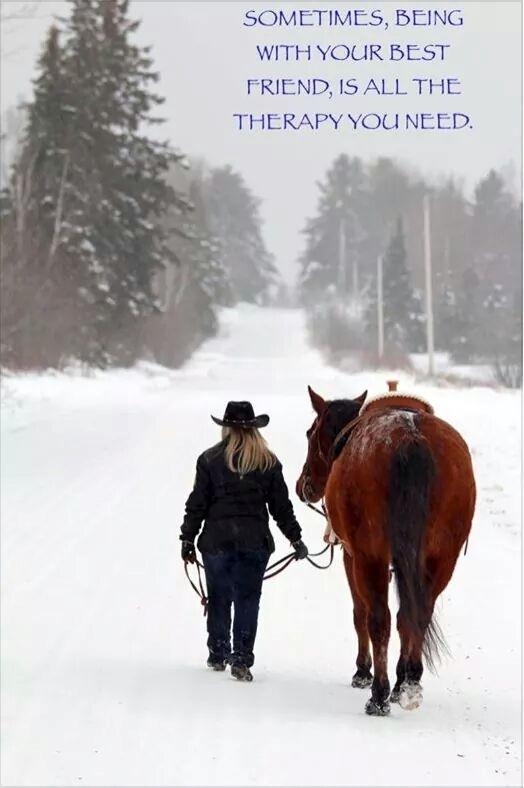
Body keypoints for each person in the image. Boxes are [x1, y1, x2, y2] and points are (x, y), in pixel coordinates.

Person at [180, 400, 308, 682]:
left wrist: (188, 538)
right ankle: (241, 659)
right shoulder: (268, 462)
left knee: (219, 597)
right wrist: (295, 538)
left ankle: (218, 652)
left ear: (226, 428)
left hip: (216, 541)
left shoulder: (209, 460)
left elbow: (197, 504)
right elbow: (280, 507)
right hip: (254, 543)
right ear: (254, 429)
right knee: (248, 600)